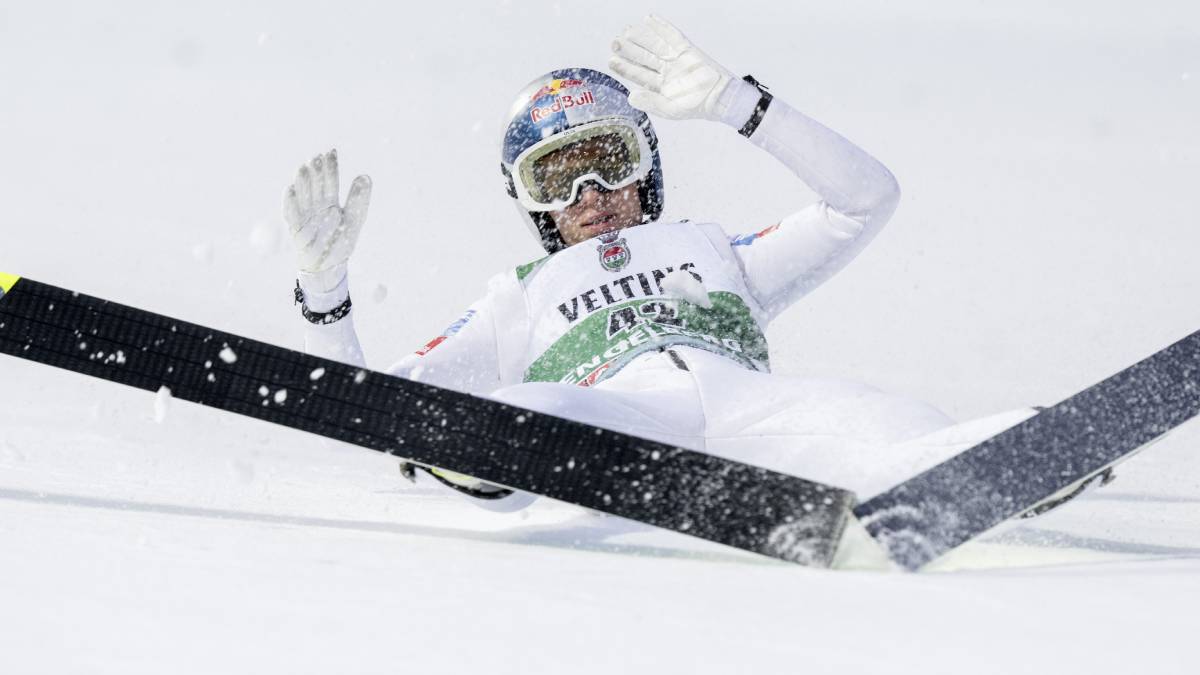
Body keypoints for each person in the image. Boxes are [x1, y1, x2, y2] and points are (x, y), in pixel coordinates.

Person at [282, 16, 972, 510]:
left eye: (610, 162)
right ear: (534, 204)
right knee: (525, 415)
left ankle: (978, 470)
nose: (591, 194)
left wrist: (735, 103)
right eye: (558, 179)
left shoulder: (717, 253)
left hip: (758, 417)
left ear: (646, 168)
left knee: (903, 423)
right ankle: (487, 459)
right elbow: (364, 408)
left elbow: (865, 199)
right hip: (615, 426)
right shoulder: (519, 297)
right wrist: (324, 291)